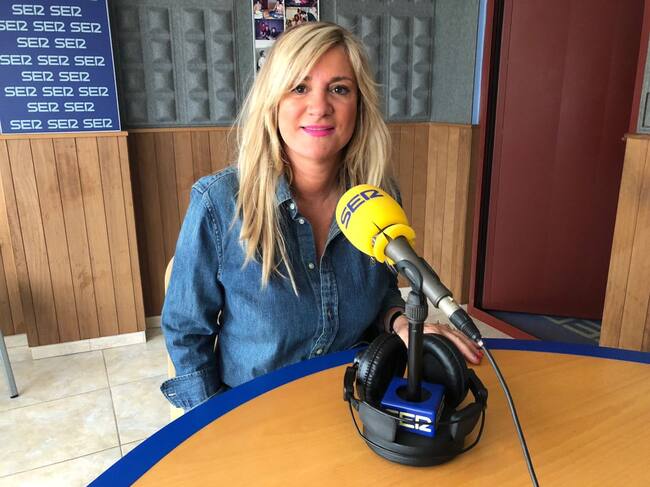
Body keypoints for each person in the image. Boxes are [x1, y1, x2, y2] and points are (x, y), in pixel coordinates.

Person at [160, 22, 482, 411]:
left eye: (339, 89)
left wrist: (400, 321)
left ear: (359, 106)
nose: (319, 106)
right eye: (299, 88)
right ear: (273, 102)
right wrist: (214, 422)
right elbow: (186, 332)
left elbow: (379, 292)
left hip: (351, 404)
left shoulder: (377, 199)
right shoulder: (218, 203)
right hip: (255, 414)